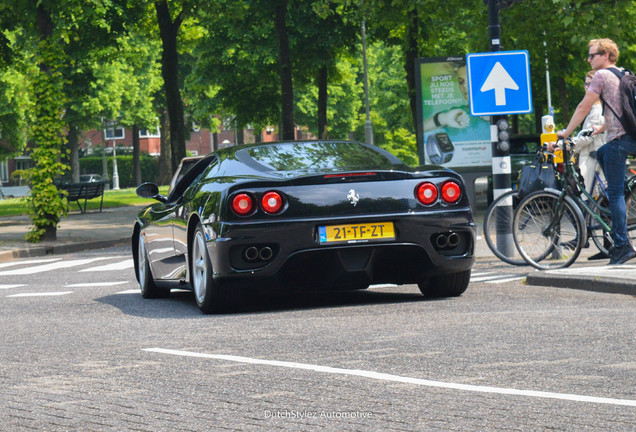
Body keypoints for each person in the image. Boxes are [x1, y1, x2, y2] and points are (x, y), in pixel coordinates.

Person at [558, 38, 636, 265]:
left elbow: (584, 106)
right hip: (630, 137)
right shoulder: (624, 73)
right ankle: (622, 190)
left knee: (615, 195)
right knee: (601, 154)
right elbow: (621, 109)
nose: (589, 59)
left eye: (592, 55)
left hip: (620, 141)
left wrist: (566, 132)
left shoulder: (601, 76)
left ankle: (622, 246)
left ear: (606, 55)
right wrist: (601, 129)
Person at [575, 70, 606, 195]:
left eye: (590, 84)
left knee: (588, 197)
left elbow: (588, 137)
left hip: (592, 160)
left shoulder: (597, 110)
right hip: (592, 159)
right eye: (586, 84)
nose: (587, 87)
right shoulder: (593, 108)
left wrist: (565, 144)